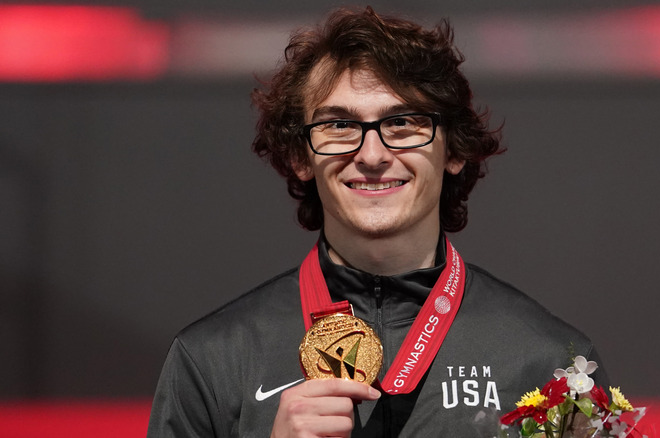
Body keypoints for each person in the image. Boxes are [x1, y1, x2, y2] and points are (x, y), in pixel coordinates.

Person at [148, 6, 607, 438]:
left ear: (456, 149)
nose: (371, 155)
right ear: (299, 156)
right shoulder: (211, 361)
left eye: (404, 123)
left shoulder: (553, 362)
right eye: (339, 126)